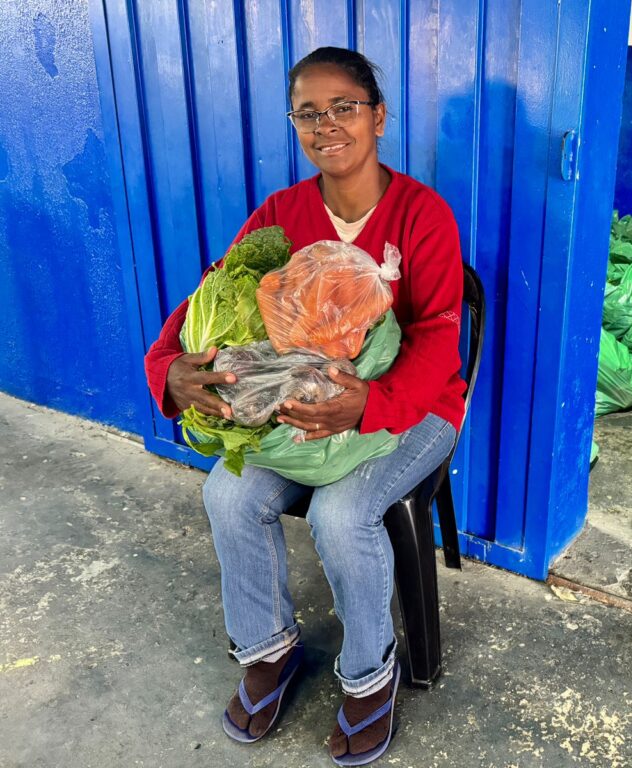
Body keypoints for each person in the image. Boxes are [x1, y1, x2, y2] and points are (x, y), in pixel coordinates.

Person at [143, 46, 466, 766]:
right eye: (309, 113)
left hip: (414, 411)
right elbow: (210, 293)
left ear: (378, 118)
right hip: (301, 413)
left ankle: (369, 677)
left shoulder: (423, 216)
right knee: (228, 494)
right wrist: (167, 370)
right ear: (296, 124)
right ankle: (268, 651)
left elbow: (441, 342)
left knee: (343, 514)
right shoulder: (282, 213)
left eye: (345, 107)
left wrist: (368, 404)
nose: (328, 125)